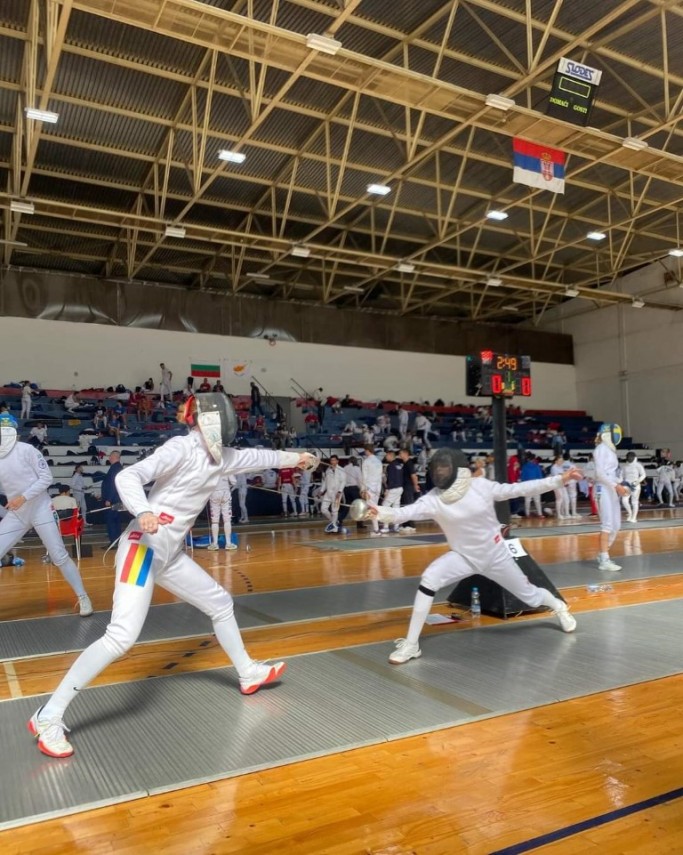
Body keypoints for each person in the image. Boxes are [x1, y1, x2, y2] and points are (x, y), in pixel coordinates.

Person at [27, 392, 318, 758]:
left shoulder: (225, 457)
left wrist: (300, 458)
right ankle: (48, 715)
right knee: (120, 637)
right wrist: (143, 510)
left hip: (169, 555)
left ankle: (248, 672)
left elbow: (263, 457)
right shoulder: (180, 448)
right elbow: (129, 476)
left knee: (220, 603)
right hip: (142, 548)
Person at [364, 448, 580, 664]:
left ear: (457, 468)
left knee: (531, 597)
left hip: (495, 556)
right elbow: (403, 513)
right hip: (463, 557)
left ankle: (559, 606)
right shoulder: (433, 499)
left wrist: (559, 480)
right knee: (430, 578)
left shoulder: (480, 486)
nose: (440, 472)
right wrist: (379, 511)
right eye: (437, 468)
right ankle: (411, 645)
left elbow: (519, 488)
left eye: (444, 468)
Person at [0, 414, 92, 616]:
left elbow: (46, 478)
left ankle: (83, 597)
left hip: (40, 509)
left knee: (59, 555)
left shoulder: (27, 450)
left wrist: (23, 497)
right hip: (17, 514)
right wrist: (15, 502)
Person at [593, 423, 630, 572]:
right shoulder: (601, 449)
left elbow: (612, 473)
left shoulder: (610, 450)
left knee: (616, 526)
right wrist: (616, 486)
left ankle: (603, 553)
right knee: (607, 525)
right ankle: (604, 560)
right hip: (603, 489)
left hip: (611, 489)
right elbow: (600, 474)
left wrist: (621, 485)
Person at [208, 473, 237, 551]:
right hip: (225, 493)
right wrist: (227, 486)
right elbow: (234, 482)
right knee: (227, 520)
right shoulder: (226, 468)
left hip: (214, 493)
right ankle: (228, 543)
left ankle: (215, 544)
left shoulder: (210, 469)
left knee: (215, 520)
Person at [101, 450, 123, 545]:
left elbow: (113, 485)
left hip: (113, 500)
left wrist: (109, 499)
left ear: (114, 457)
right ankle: (117, 541)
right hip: (117, 499)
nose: (109, 458)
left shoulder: (114, 468)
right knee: (116, 520)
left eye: (110, 456)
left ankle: (113, 541)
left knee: (111, 520)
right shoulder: (119, 467)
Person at [379, 449, 403, 534]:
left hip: (393, 489)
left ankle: (386, 527)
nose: (386, 457)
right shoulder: (399, 465)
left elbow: (391, 479)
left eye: (386, 455)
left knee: (385, 507)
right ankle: (396, 526)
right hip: (400, 488)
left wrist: (387, 489)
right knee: (396, 507)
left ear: (390, 455)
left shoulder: (390, 466)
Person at [320, 455, 346, 533]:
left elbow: (343, 481)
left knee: (335, 510)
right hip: (328, 492)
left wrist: (340, 491)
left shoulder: (341, 470)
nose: (333, 462)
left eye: (334, 460)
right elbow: (325, 482)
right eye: (331, 460)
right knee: (323, 509)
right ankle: (334, 521)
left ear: (337, 461)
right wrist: (321, 490)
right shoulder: (328, 470)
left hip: (337, 493)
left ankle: (334, 526)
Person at [621, 451, 646, 523]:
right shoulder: (624, 466)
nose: (629, 458)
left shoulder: (638, 465)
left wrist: (637, 482)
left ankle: (634, 518)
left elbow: (643, 474)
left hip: (635, 485)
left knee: (634, 502)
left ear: (634, 458)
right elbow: (621, 476)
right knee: (624, 500)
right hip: (627, 485)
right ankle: (630, 513)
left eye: (631, 457)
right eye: (628, 457)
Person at [521, 453, 544, 517]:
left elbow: (523, 477)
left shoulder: (524, 467)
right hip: (536, 485)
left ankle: (527, 514)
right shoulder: (537, 466)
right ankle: (540, 514)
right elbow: (540, 477)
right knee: (537, 500)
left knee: (527, 500)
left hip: (527, 485)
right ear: (533, 459)